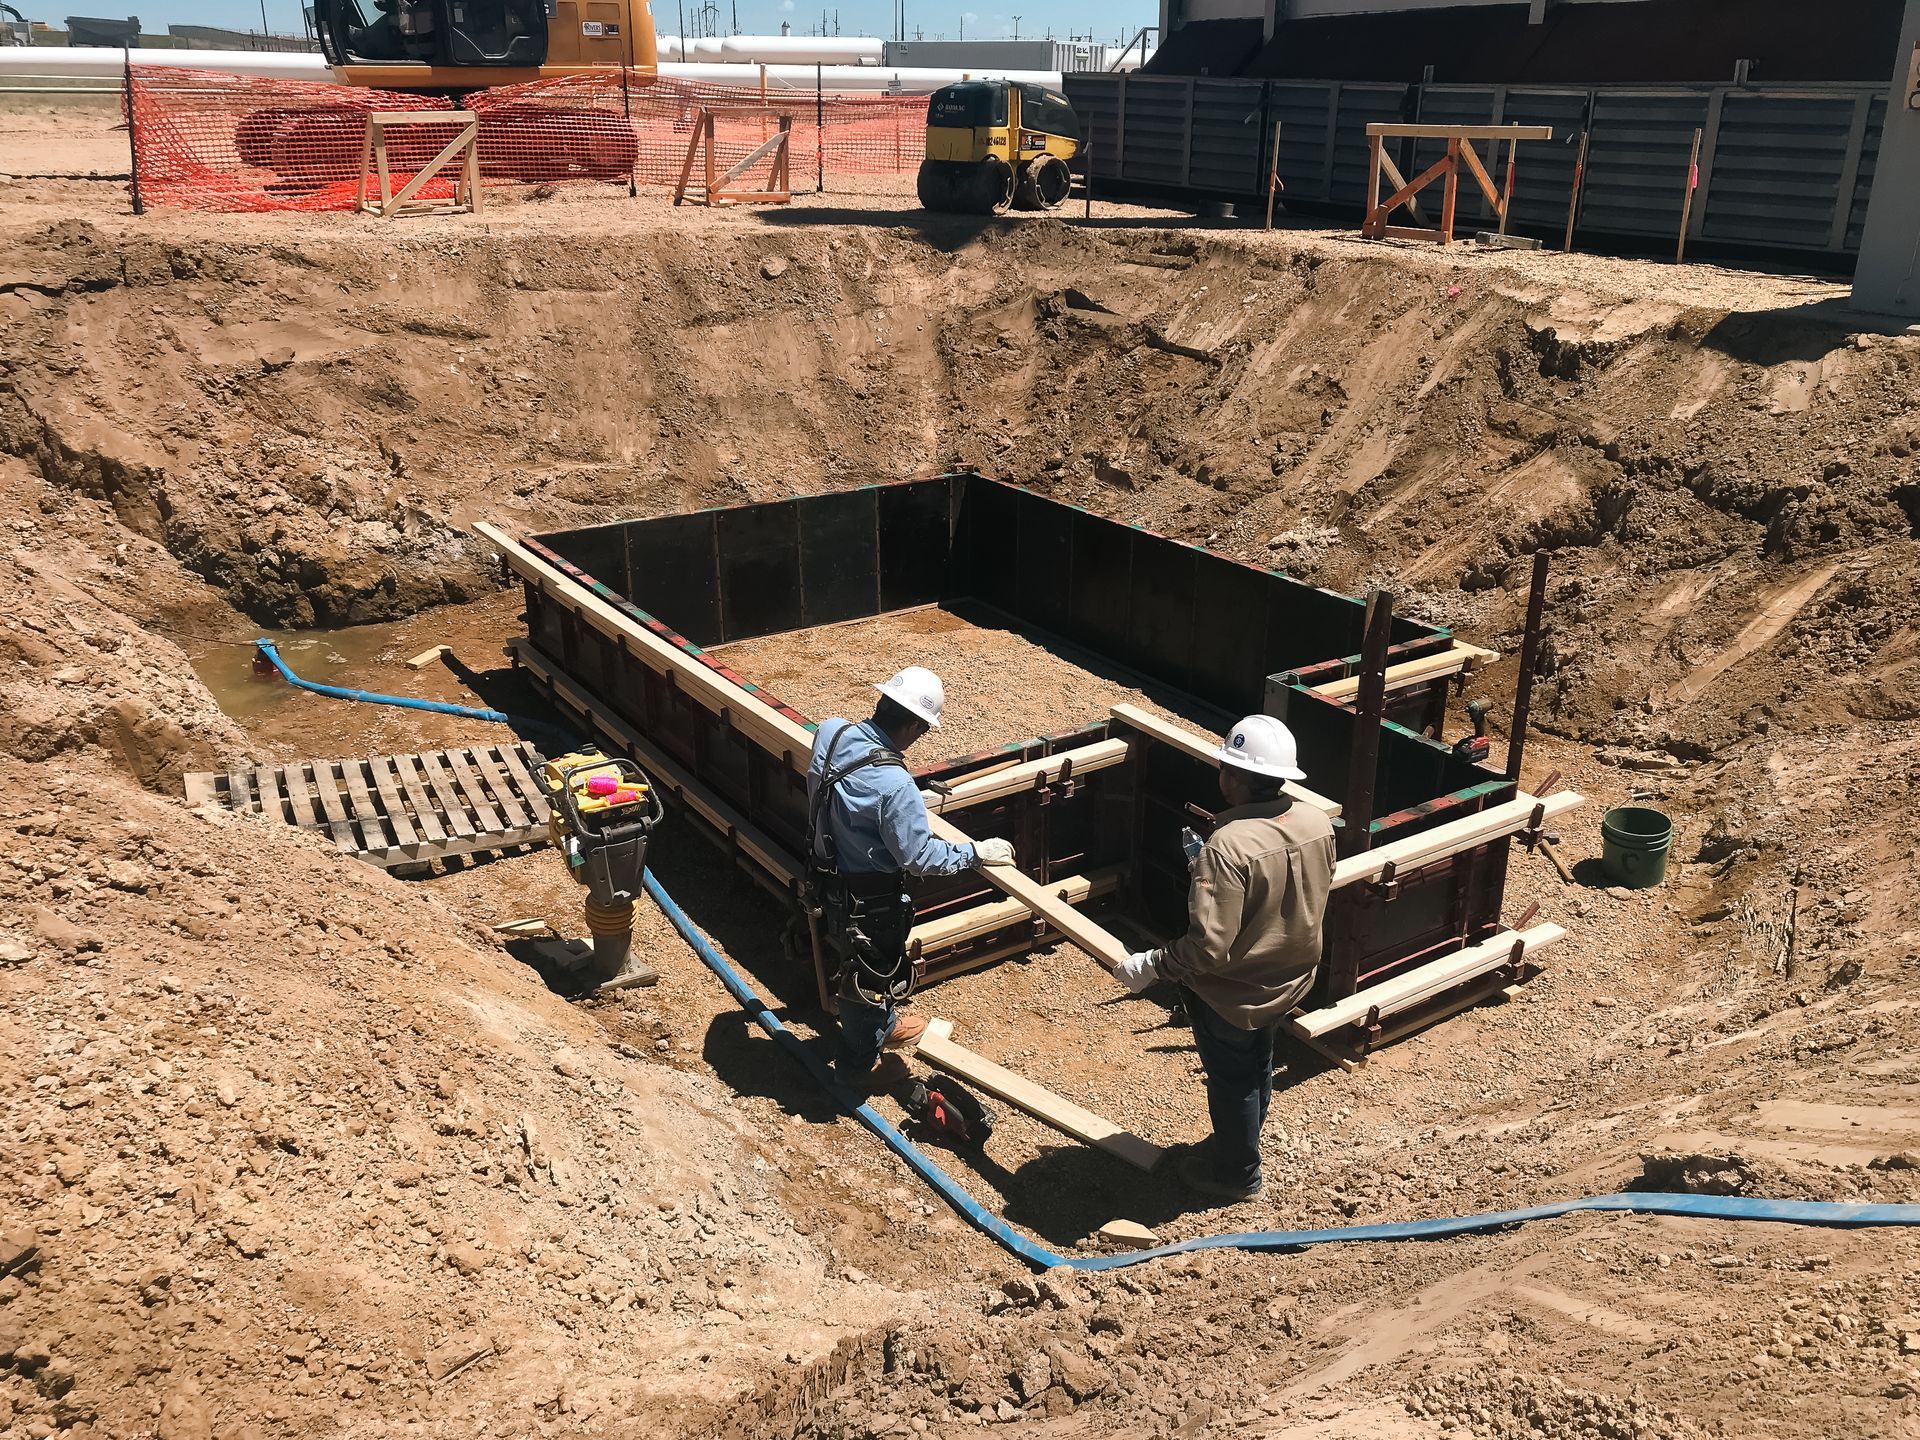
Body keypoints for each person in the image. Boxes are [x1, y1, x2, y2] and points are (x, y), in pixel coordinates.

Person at [1113, 714, 1336, 1202]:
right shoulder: (1317, 822)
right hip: (1291, 976)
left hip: (1237, 991)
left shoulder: (1227, 846)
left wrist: (1153, 964)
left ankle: (1237, 1173)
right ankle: (1243, 1140)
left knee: (1233, 1077)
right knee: (1258, 1062)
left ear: (1232, 776)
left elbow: (1209, 949)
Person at [806, 665, 1015, 1092]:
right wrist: (974, 853)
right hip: (870, 900)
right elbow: (919, 856)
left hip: (827, 879)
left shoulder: (832, 732)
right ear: (916, 725)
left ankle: (883, 1028)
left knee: (853, 961)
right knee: (870, 974)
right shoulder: (894, 784)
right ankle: (856, 1069)